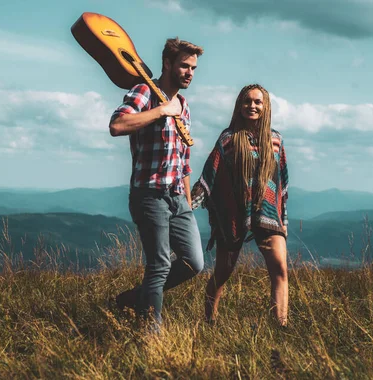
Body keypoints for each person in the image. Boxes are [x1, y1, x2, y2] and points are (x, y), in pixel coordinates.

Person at [110, 37, 205, 326]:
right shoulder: (144, 91)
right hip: (149, 195)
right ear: (167, 64)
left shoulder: (184, 105)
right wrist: (161, 111)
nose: (190, 72)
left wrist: (187, 203)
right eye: (184, 66)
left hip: (178, 197)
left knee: (194, 263)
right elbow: (117, 125)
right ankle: (151, 332)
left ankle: (133, 300)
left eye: (193, 68)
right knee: (159, 265)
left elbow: (183, 161)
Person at [191, 84, 290, 326]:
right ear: (239, 105)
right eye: (247, 101)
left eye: (258, 102)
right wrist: (187, 204)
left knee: (280, 271)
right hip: (233, 214)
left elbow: (280, 184)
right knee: (223, 273)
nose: (252, 106)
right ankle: (209, 321)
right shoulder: (228, 139)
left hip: (268, 213)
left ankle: (280, 326)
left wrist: (283, 219)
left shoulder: (276, 140)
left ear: (265, 107)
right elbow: (210, 175)